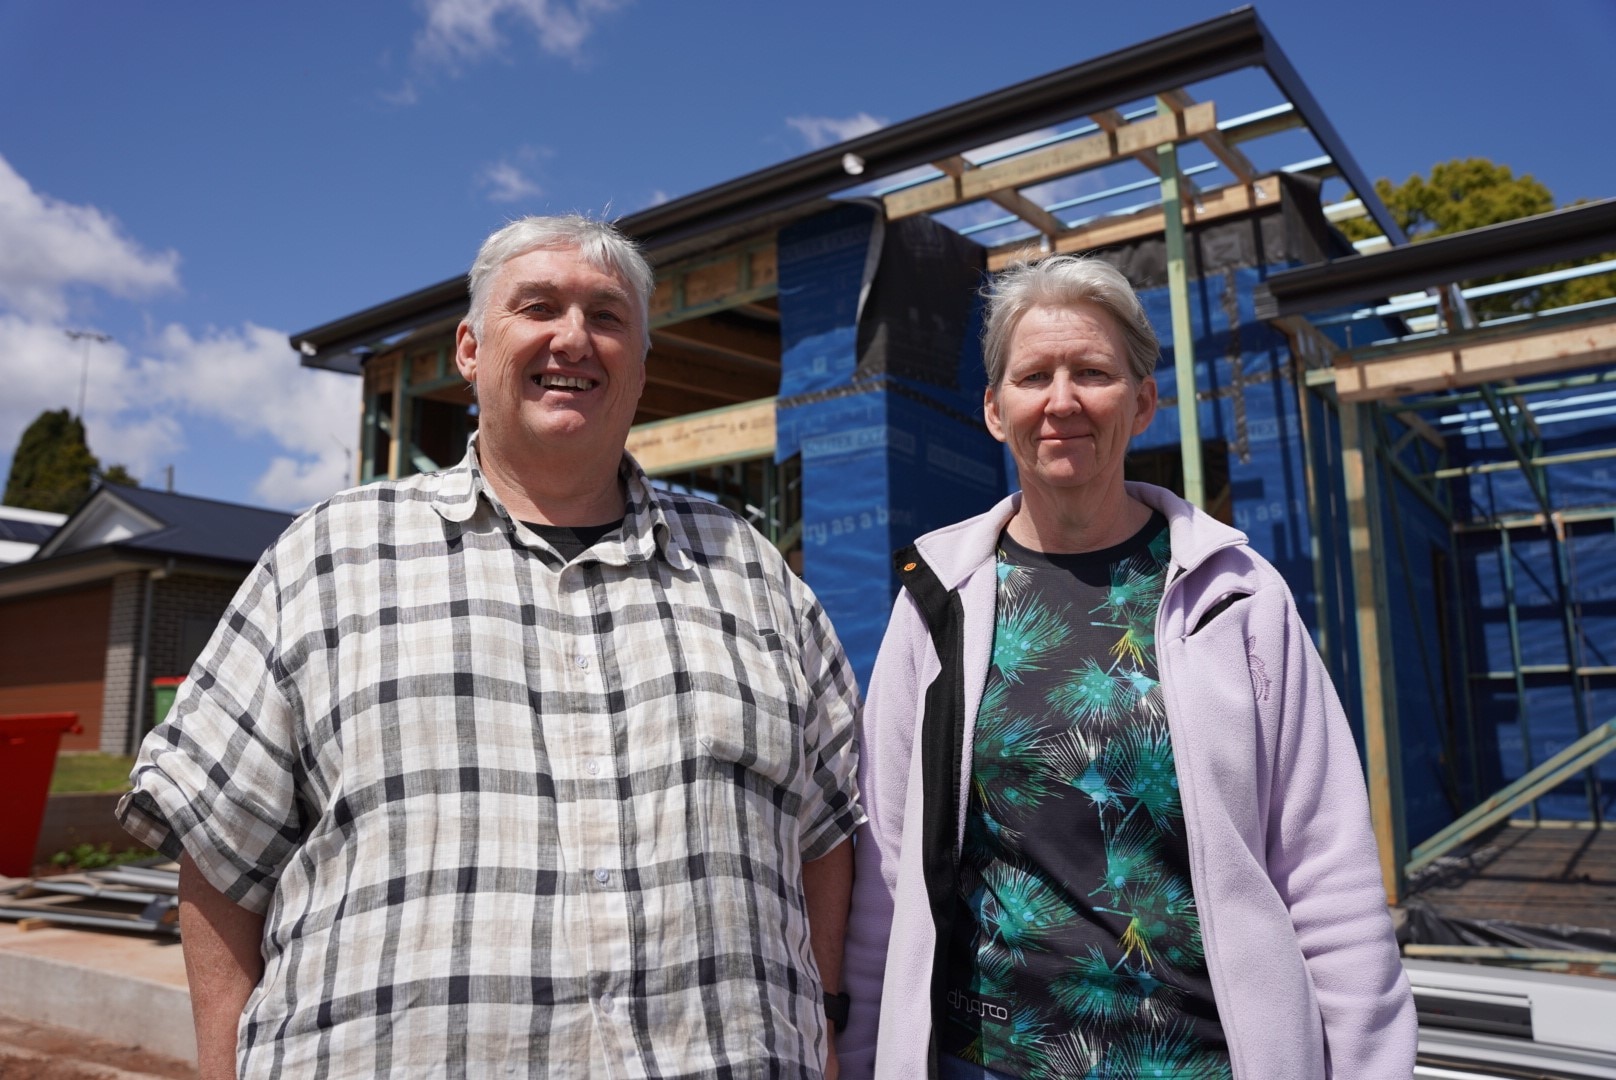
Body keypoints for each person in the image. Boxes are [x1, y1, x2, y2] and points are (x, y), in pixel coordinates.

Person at [118, 215, 864, 1079]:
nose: (574, 338)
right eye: (538, 307)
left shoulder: (750, 572)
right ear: (471, 349)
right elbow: (220, 844)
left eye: (609, 316)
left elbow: (829, 830)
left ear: (643, 364)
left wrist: (828, 1027)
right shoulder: (330, 558)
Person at [839, 255, 1415, 1079]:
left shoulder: (1239, 597)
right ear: (995, 410)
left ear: (1142, 402)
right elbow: (888, 869)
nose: (1062, 400)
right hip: (994, 1060)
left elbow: (1328, 871)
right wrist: (866, 1056)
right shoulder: (939, 602)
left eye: (1094, 373)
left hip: (1206, 1061)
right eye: (1034, 375)